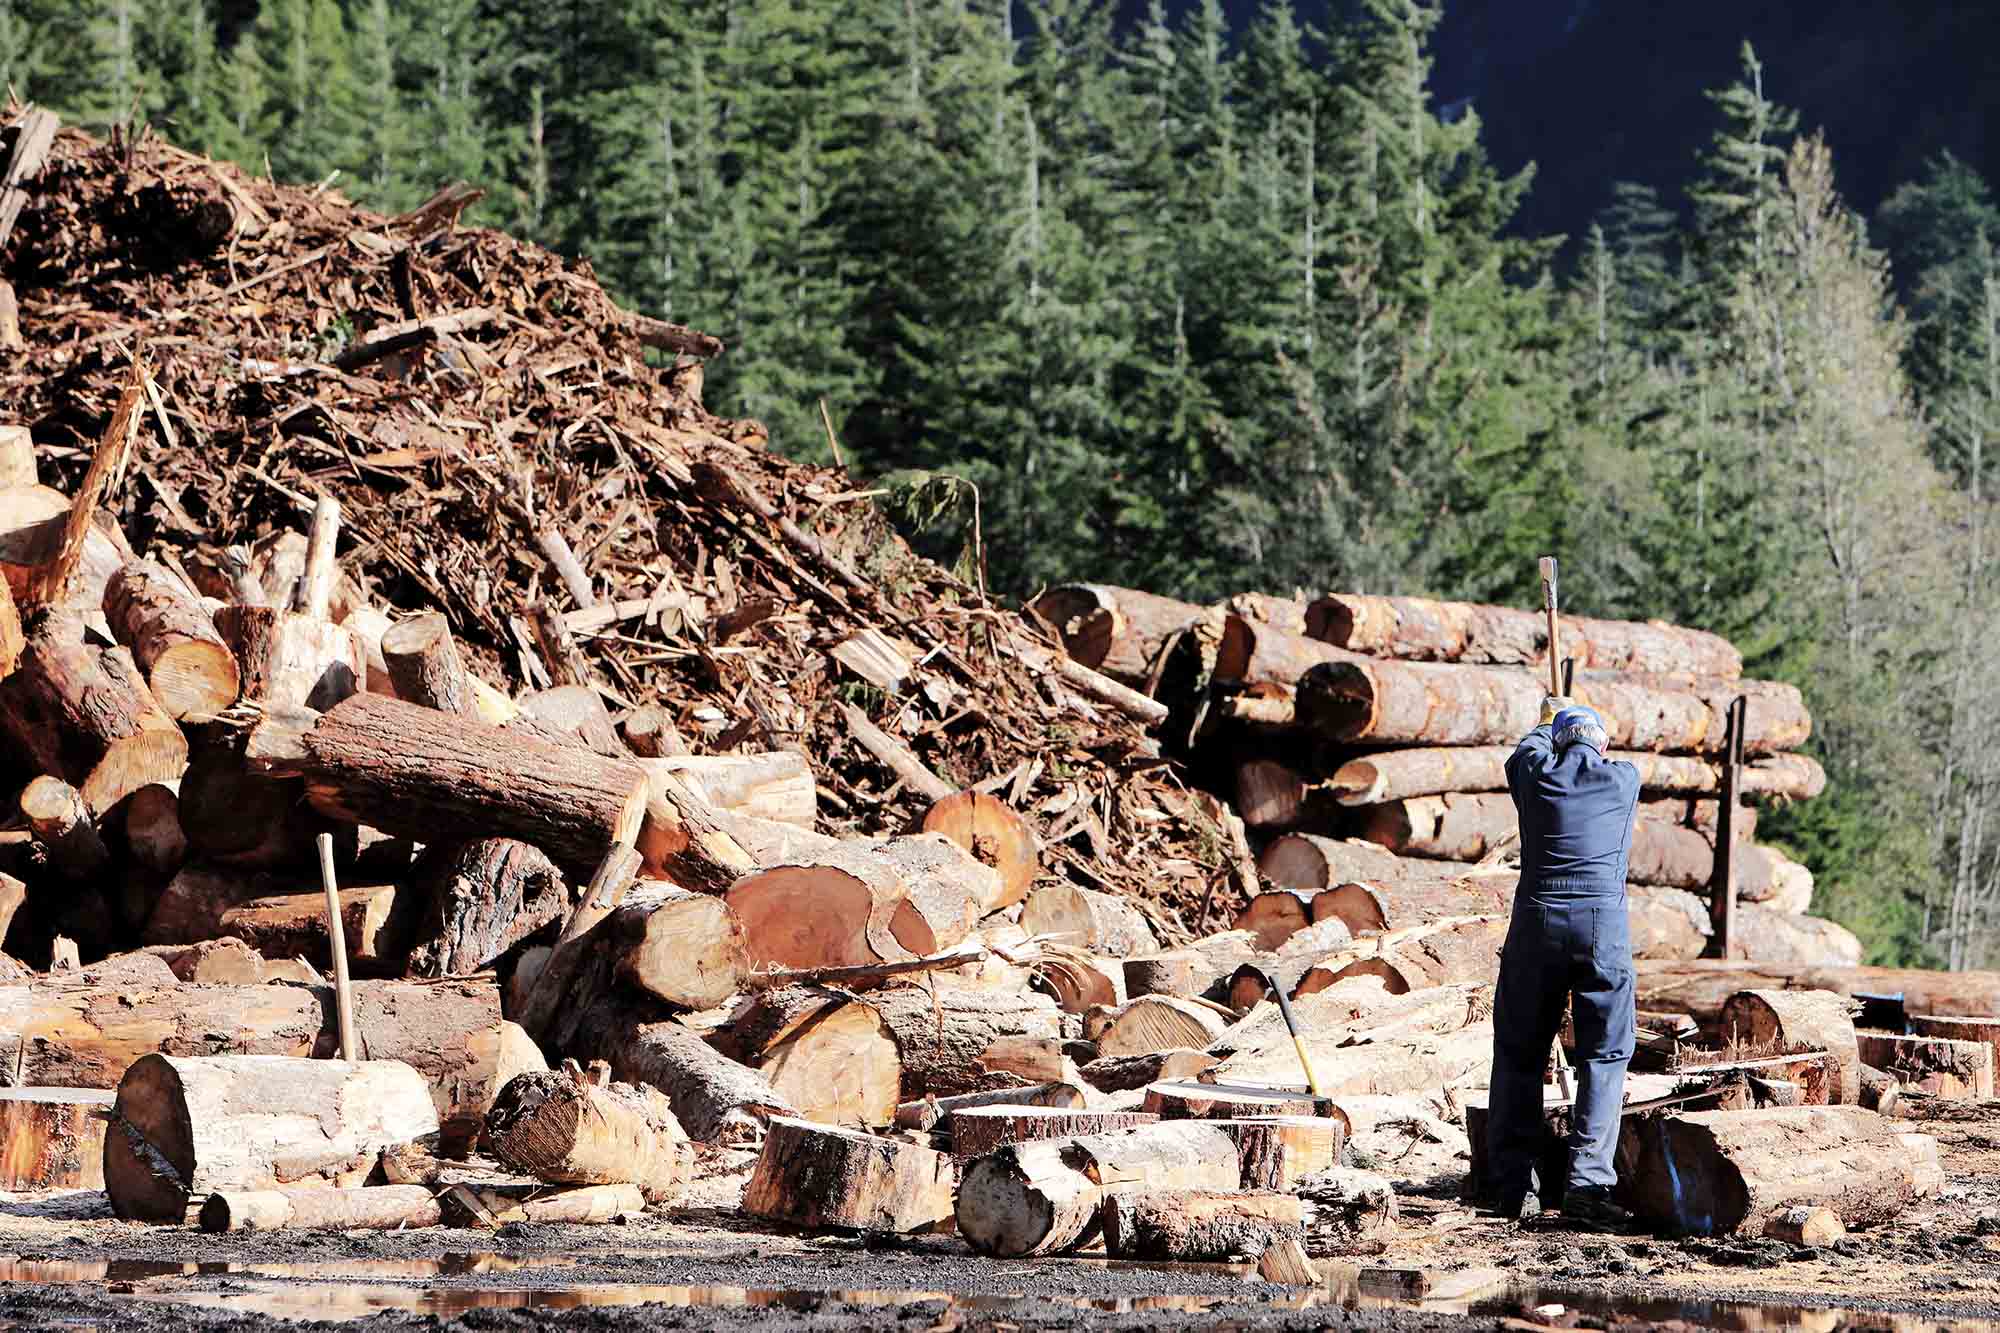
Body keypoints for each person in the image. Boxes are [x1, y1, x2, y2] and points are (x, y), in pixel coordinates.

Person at [1486, 697, 1640, 1225]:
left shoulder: (1535, 776)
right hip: (1603, 930)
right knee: (1604, 1055)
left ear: (1559, 742)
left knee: (1519, 1054)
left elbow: (1524, 752)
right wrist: (1571, 729)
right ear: (1601, 746)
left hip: (1537, 923)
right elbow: (1599, 752)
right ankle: (1587, 1187)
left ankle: (1514, 1188)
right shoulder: (1624, 780)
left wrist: (1546, 719)